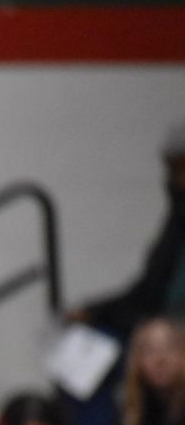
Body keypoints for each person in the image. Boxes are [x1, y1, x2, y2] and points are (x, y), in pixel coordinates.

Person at [68, 123, 185, 337]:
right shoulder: (176, 224)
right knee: (91, 339)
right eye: (177, 169)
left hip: (170, 332)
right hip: (162, 327)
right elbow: (149, 291)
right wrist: (94, 312)